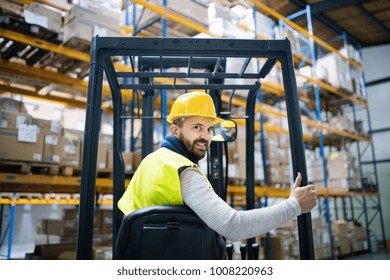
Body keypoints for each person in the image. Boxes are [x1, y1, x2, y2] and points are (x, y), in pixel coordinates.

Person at [118, 91, 317, 242]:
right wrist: (294, 206)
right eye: (197, 127)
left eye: (209, 128)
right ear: (175, 130)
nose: (205, 136)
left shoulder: (151, 161)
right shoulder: (183, 171)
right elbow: (234, 227)